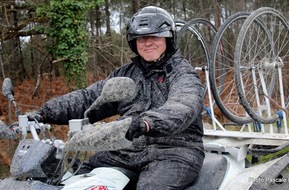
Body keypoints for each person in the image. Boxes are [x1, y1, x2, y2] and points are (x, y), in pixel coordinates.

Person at [31, 6, 205, 189]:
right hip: (127, 150)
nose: (147, 43)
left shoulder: (182, 73)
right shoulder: (126, 74)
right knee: (73, 180)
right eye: (142, 38)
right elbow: (89, 98)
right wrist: (43, 113)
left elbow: (184, 105)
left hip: (175, 151)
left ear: (168, 38)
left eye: (155, 36)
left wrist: (146, 122)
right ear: (134, 42)